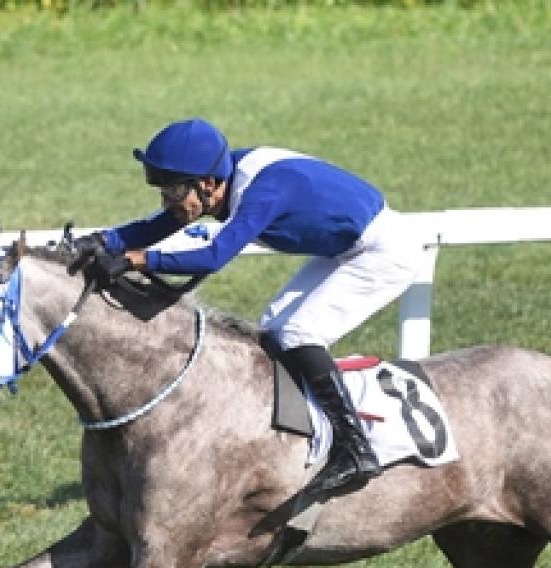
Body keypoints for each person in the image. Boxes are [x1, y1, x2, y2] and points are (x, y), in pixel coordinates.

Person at [84, 117, 425, 502]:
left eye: (175, 190)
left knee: (298, 332)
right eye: (164, 190)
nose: (167, 201)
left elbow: (213, 256)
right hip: (347, 248)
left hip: (384, 252)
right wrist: (101, 241)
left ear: (208, 184)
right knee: (274, 329)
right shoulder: (222, 178)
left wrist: (138, 260)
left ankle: (356, 448)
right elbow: (158, 225)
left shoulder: (265, 191)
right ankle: (300, 435)